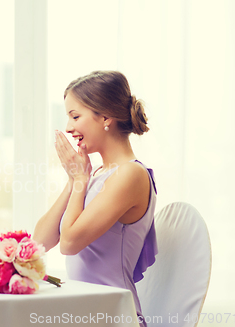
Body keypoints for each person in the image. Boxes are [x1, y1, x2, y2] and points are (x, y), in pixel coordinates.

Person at [33, 71, 157, 326]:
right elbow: (39, 244)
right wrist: (74, 181)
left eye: (75, 116)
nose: (68, 127)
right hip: (87, 313)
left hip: (115, 316)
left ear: (105, 117)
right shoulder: (96, 175)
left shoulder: (131, 175)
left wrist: (80, 181)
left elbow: (69, 243)